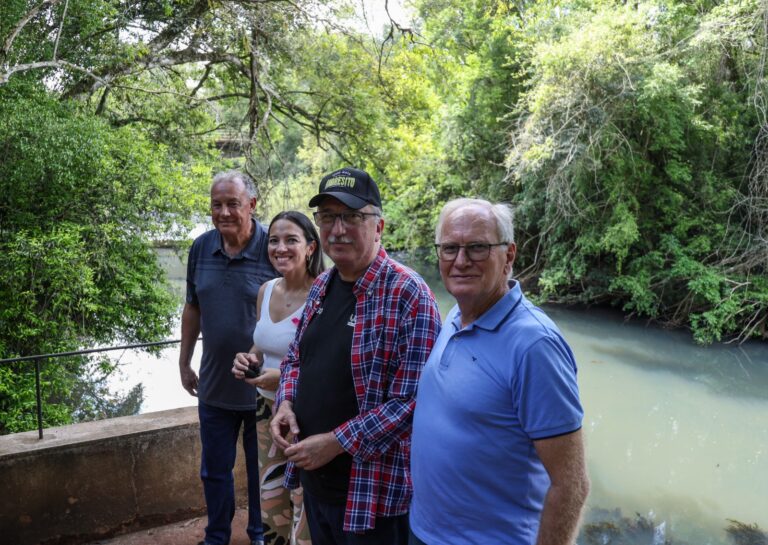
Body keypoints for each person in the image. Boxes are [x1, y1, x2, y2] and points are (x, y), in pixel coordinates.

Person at [269, 167, 441, 545]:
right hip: (315, 483)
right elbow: (296, 359)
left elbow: (411, 401)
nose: (338, 229)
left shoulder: (409, 295)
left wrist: (335, 442)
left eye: (352, 217)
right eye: (328, 217)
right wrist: (285, 403)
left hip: (372, 495)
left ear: (378, 226)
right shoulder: (323, 286)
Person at [409, 198, 590, 545]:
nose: (461, 261)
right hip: (423, 530)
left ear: (508, 255)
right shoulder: (455, 316)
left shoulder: (535, 345)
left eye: (477, 247)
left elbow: (572, 484)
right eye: (449, 248)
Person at [179, 170, 278, 545]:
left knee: (261, 473)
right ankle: (216, 537)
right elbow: (192, 308)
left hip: (264, 386)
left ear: (252, 205)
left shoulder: (276, 246)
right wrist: (184, 361)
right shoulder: (201, 248)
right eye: (216, 204)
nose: (224, 212)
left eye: (233, 204)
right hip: (215, 385)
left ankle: (260, 536)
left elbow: (302, 305)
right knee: (214, 472)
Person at [232, 211, 324, 545]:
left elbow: (327, 364)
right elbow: (262, 342)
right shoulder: (266, 290)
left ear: (311, 247)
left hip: (305, 415)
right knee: (270, 497)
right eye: (274, 240)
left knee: (302, 500)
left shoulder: (323, 296)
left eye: (291, 240)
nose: (280, 248)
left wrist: (283, 378)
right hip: (263, 411)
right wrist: (249, 358)